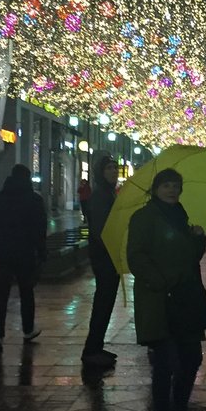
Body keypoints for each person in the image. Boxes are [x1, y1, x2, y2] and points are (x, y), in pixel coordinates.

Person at [127, 168, 206, 411]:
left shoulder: (181, 216)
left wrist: (198, 238)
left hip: (186, 298)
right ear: (155, 188)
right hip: (160, 299)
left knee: (191, 359)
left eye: (176, 185)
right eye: (166, 185)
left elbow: (191, 258)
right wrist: (161, 281)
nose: (172, 190)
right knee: (165, 364)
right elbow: (136, 257)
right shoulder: (144, 217)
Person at [0, 164, 48, 350]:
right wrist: (41, 252)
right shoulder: (34, 200)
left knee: (1, 294)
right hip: (25, 253)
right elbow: (40, 229)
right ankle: (28, 330)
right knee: (26, 293)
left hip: (2, 252)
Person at [82, 154, 120, 367]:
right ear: (100, 172)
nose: (113, 171)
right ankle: (91, 350)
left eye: (115, 168)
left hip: (108, 254)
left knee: (106, 303)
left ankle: (96, 346)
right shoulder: (100, 196)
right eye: (109, 168)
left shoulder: (108, 193)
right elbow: (99, 230)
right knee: (103, 302)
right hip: (104, 256)